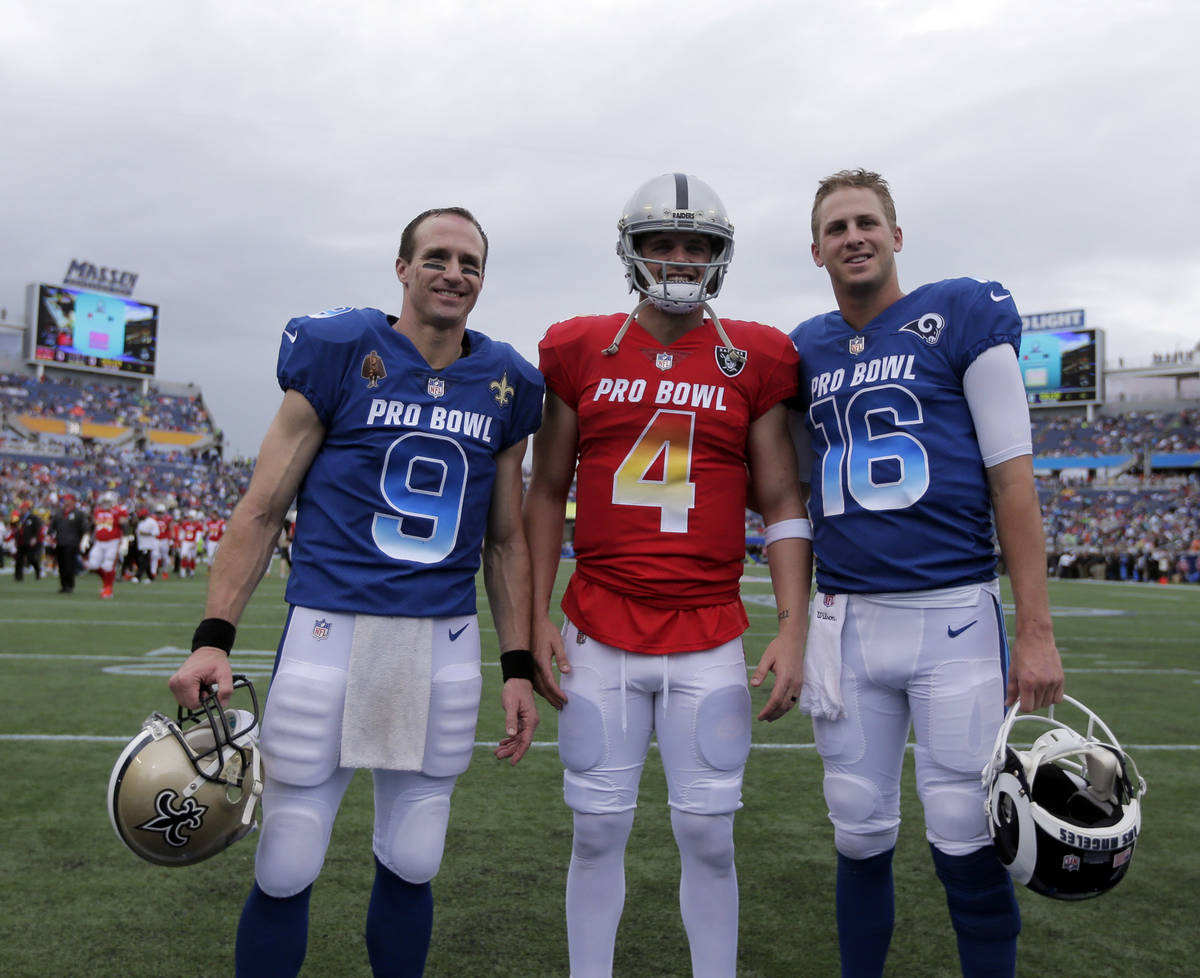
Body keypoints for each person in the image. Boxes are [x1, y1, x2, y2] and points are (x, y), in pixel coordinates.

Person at [167, 206, 544, 978]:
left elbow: (505, 541)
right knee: (288, 858)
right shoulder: (342, 349)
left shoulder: (505, 381)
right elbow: (263, 507)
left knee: (414, 854)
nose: (453, 273)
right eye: (436, 257)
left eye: (470, 263)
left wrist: (515, 667)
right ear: (402, 269)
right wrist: (214, 635)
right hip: (329, 632)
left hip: (439, 638)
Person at [524, 173, 811, 978]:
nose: (679, 258)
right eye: (662, 243)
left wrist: (793, 627)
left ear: (719, 257)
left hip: (708, 632)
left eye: (696, 246)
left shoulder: (752, 353)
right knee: (595, 831)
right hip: (600, 630)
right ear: (632, 249)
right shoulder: (581, 347)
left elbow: (783, 497)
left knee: (710, 836)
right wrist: (538, 615)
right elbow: (546, 490)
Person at [788, 169, 1065, 978]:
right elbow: (795, 495)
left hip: (951, 616)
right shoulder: (804, 349)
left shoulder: (960, 316)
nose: (854, 237)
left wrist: (1038, 634)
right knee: (857, 826)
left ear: (897, 235)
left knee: (965, 832)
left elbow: (1013, 478)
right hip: (849, 621)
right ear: (816, 250)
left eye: (868, 222)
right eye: (836, 228)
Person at [49, 492, 89, 593]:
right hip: (60, 542)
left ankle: (69, 585)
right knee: (61, 565)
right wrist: (51, 535)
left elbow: (84, 528)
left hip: (72, 543)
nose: (66, 502)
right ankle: (63, 585)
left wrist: (83, 540)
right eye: (65, 500)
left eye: (68, 499)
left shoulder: (78, 514)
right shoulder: (58, 513)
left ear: (73, 501)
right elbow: (52, 527)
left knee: (69, 565)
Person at [14, 499, 44, 582]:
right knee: (19, 559)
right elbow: (17, 530)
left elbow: (37, 529)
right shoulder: (20, 518)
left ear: (27, 509)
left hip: (30, 542)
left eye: (22, 508)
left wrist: (34, 538)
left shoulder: (33, 518)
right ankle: (18, 577)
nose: (21, 510)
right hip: (21, 542)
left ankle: (38, 570)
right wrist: (16, 540)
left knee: (31, 558)